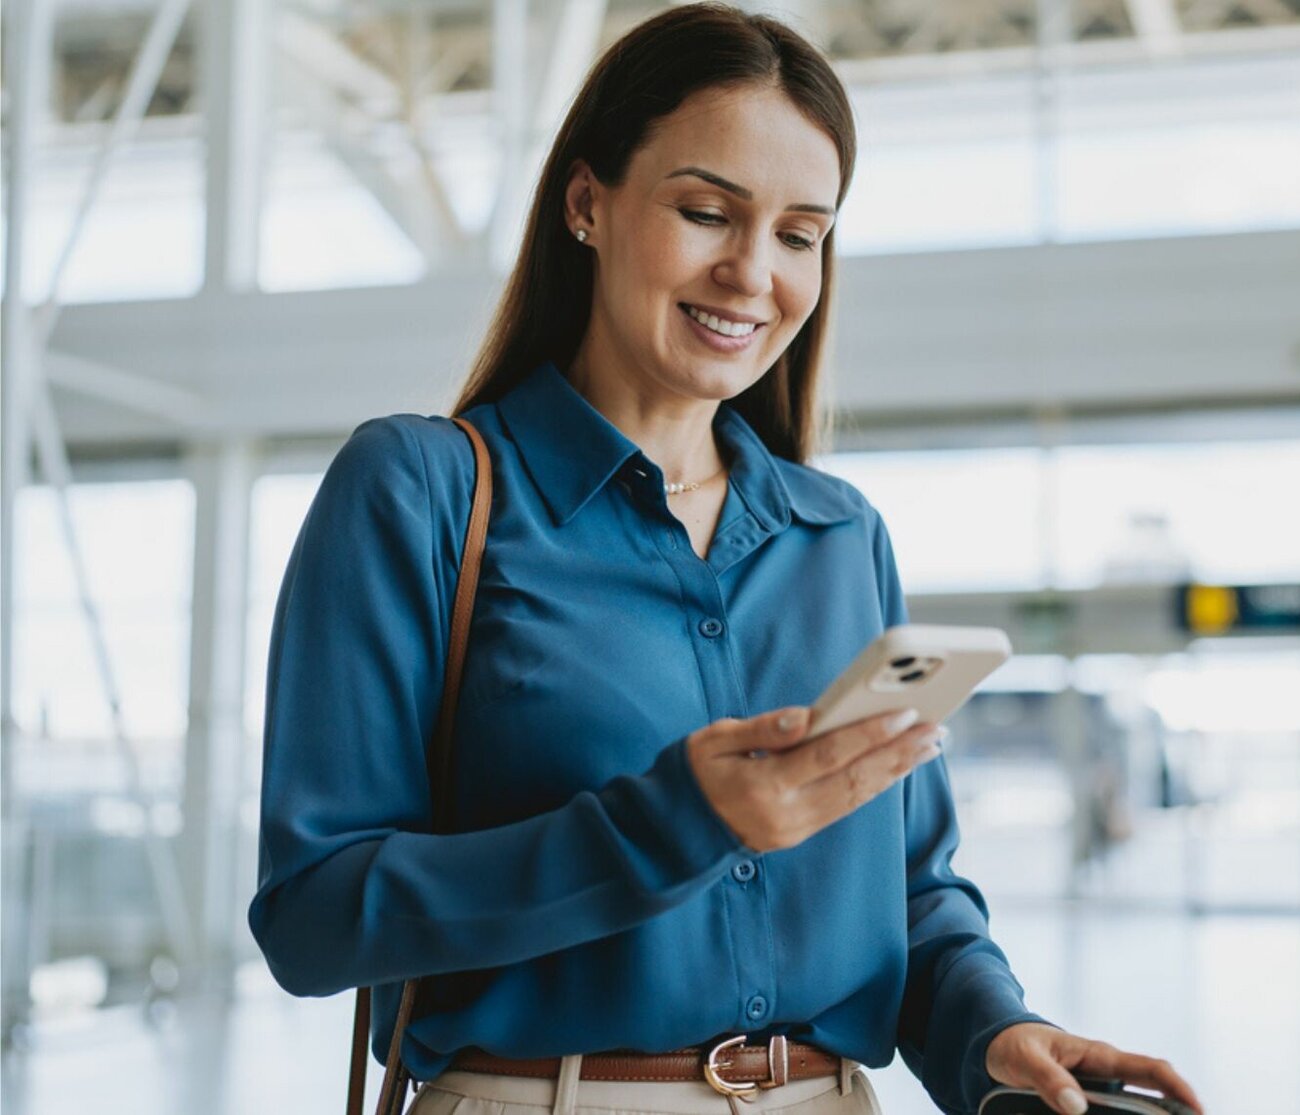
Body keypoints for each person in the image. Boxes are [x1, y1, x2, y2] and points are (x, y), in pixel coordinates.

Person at [244, 5, 1207, 1115]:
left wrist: (993, 1026)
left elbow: (911, 893)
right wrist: (675, 822)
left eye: (800, 233)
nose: (753, 272)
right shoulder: (421, 490)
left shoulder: (838, 536)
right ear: (585, 202)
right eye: (707, 212)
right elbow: (315, 918)